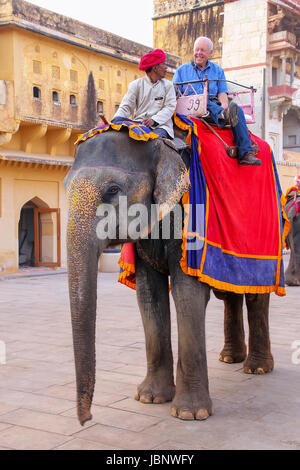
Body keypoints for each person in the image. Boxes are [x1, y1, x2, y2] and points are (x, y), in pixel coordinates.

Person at [173, 37, 261, 166]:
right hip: (191, 105)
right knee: (203, 99)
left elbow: (222, 93)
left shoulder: (218, 70)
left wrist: (225, 106)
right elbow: (173, 93)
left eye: (202, 50)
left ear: (210, 53)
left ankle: (246, 154)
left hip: (214, 105)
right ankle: (222, 115)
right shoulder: (182, 70)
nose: (198, 53)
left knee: (236, 108)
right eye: (196, 50)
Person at [111, 49, 177, 139]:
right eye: (163, 64)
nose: (166, 68)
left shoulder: (168, 86)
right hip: (139, 125)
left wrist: (154, 120)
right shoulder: (135, 85)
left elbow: (169, 107)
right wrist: (116, 119)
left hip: (161, 126)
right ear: (155, 68)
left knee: (154, 142)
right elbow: (126, 106)